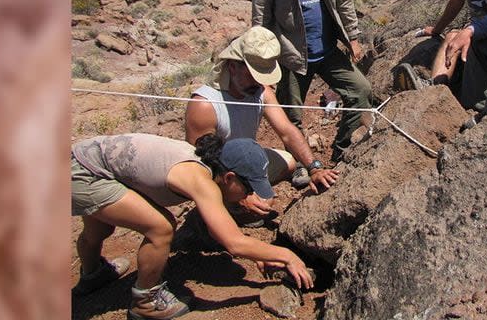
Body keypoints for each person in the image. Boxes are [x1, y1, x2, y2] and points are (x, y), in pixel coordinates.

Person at [71, 133, 314, 319]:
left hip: (86, 160)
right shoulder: (201, 181)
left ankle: (93, 275)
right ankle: (146, 301)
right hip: (83, 175)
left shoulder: (206, 165)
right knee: (161, 227)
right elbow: (233, 242)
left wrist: (257, 254)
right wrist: (286, 255)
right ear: (229, 177)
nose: (250, 194)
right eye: (248, 187)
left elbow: (219, 227)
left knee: (102, 228)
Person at [252, 0, 373, 163]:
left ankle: (342, 149)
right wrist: (262, 65)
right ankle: (300, 164)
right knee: (292, 116)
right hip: (292, 57)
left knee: (360, 91)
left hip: (328, 50)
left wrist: (352, 36)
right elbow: (260, 23)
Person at [185, 27, 339, 212]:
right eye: (252, 75)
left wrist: (314, 168)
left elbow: (287, 131)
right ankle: (225, 207)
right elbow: (201, 164)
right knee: (264, 203)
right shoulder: (205, 104)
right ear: (233, 67)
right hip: (219, 172)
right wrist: (241, 195)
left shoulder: (260, 91)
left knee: (288, 161)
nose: (258, 83)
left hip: (245, 161)